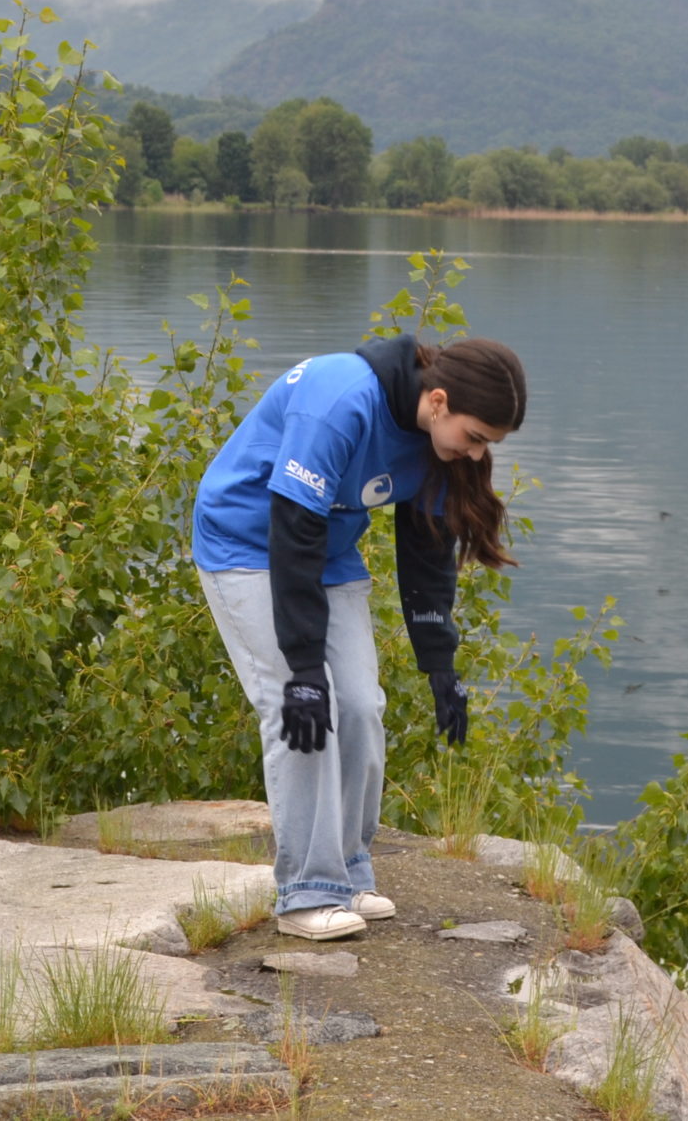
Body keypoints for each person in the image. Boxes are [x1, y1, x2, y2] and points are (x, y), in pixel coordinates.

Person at [192, 334, 527, 940]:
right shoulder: (341, 399)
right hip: (245, 546)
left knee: (361, 706)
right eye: (476, 437)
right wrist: (302, 668)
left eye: (489, 446)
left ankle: (346, 872)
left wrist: (440, 665)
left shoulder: (435, 445)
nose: (479, 456)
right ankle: (305, 894)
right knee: (299, 710)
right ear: (439, 401)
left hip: (328, 554)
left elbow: (427, 552)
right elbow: (291, 529)